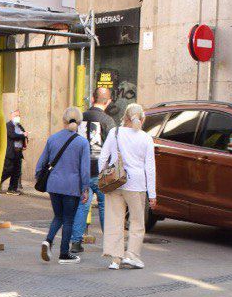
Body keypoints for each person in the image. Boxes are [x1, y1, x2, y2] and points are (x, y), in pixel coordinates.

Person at [97, 102, 156, 270]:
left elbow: (103, 157)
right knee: (137, 222)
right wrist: (152, 194)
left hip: (114, 182)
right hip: (136, 185)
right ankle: (132, 256)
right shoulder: (146, 138)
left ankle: (115, 259)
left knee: (114, 220)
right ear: (142, 119)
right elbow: (150, 168)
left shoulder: (114, 132)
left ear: (125, 117)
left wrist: (102, 177)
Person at [37, 106, 90, 265]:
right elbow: (85, 170)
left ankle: (48, 240)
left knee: (58, 216)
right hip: (72, 186)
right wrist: (85, 188)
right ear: (79, 122)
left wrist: (39, 177)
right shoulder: (82, 142)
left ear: (63, 121)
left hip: (54, 185)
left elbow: (41, 163)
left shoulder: (52, 139)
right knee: (68, 219)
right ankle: (64, 254)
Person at [71, 89, 116, 253]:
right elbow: (114, 148)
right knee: (105, 207)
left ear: (92, 99)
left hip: (82, 171)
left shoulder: (80, 118)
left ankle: (75, 242)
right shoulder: (108, 121)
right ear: (108, 101)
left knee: (82, 206)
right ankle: (109, 244)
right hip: (101, 172)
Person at [2, 111, 28, 193]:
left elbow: (25, 134)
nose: (18, 117)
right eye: (16, 115)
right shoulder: (8, 125)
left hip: (18, 152)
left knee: (17, 171)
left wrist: (25, 141)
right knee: (8, 170)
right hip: (11, 152)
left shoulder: (19, 126)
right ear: (11, 116)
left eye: (19, 115)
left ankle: (12, 189)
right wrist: (23, 135)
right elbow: (12, 135)